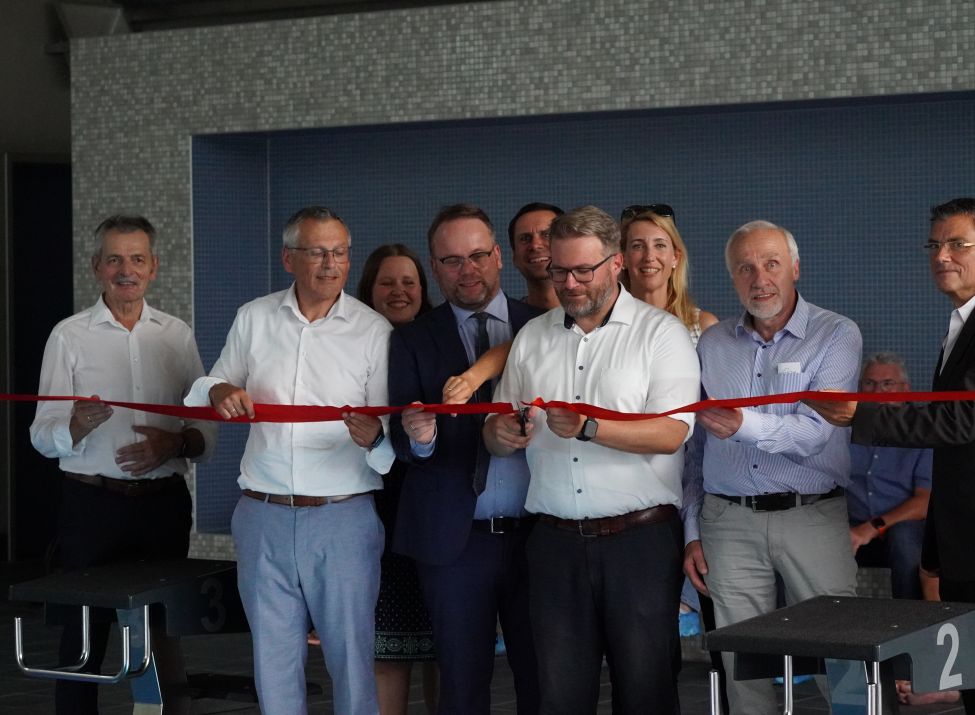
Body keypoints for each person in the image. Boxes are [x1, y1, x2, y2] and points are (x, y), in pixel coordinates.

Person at [484, 205, 700, 714]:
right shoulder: (532, 338)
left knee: (646, 694)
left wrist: (592, 428)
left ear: (616, 263)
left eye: (584, 269)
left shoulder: (659, 334)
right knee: (558, 698)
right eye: (559, 271)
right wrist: (498, 434)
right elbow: (498, 435)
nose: (571, 282)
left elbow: (673, 431)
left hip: (640, 544)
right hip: (553, 545)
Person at [184, 206, 394, 715]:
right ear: (288, 259)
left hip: (343, 517)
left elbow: (391, 443)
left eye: (340, 252)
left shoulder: (373, 330)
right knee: (272, 662)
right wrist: (222, 390)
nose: (331, 263)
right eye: (317, 252)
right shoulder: (254, 317)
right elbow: (204, 388)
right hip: (262, 514)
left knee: (351, 661)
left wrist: (374, 437)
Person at [29, 214, 216, 715]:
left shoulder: (176, 335)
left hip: (162, 507)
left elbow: (208, 431)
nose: (125, 270)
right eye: (114, 259)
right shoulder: (68, 336)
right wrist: (75, 427)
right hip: (91, 507)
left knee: (162, 634)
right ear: (96, 267)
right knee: (81, 636)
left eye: (136, 259)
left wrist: (173, 445)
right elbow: (41, 436)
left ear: (154, 268)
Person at [683, 220, 862, 714]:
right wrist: (692, 530)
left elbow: (814, 435)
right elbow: (695, 450)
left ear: (795, 268)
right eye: (745, 267)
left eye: (771, 263)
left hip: (812, 515)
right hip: (727, 521)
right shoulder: (711, 343)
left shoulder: (837, 333)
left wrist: (743, 423)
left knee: (842, 652)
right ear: (733, 278)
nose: (758, 277)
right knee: (743, 666)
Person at [807, 197, 975, 714]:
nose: (942, 255)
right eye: (935, 244)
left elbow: (962, 421)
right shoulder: (960, 323)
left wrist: (861, 415)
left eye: (958, 244)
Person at [387, 204, 541, 715]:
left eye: (477, 255)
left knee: (543, 679)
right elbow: (400, 439)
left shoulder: (542, 326)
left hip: (539, 537)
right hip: (456, 541)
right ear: (434, 268)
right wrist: (420, 436)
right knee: (461, 685)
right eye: (452, 260)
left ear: (499, 256)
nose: (467, 269)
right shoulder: (411, 337)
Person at [356, 244, 438, 715]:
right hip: (373, 507)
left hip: (432, 505)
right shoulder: (350, 343)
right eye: (387, 282)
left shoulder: (440, 342)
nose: (399, 291)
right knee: (386, 647)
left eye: (409, 282)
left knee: (444, 646)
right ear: (368, 289)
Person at [846, 352, 931, 600]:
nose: (876, 392)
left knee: (905, 539)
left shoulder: (923, 429)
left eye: (887, 384)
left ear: (905, 389)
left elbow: (926, 501)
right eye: (870, 383)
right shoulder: (843, 426)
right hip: (850, 526)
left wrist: (873, 527)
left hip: (901, 529)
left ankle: (908, 625)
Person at [508, 202, 563, 310]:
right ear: (514, 256)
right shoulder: (509, 323)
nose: (535, 245)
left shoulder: (597, 318)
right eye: (525, 238)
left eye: (547, 235)